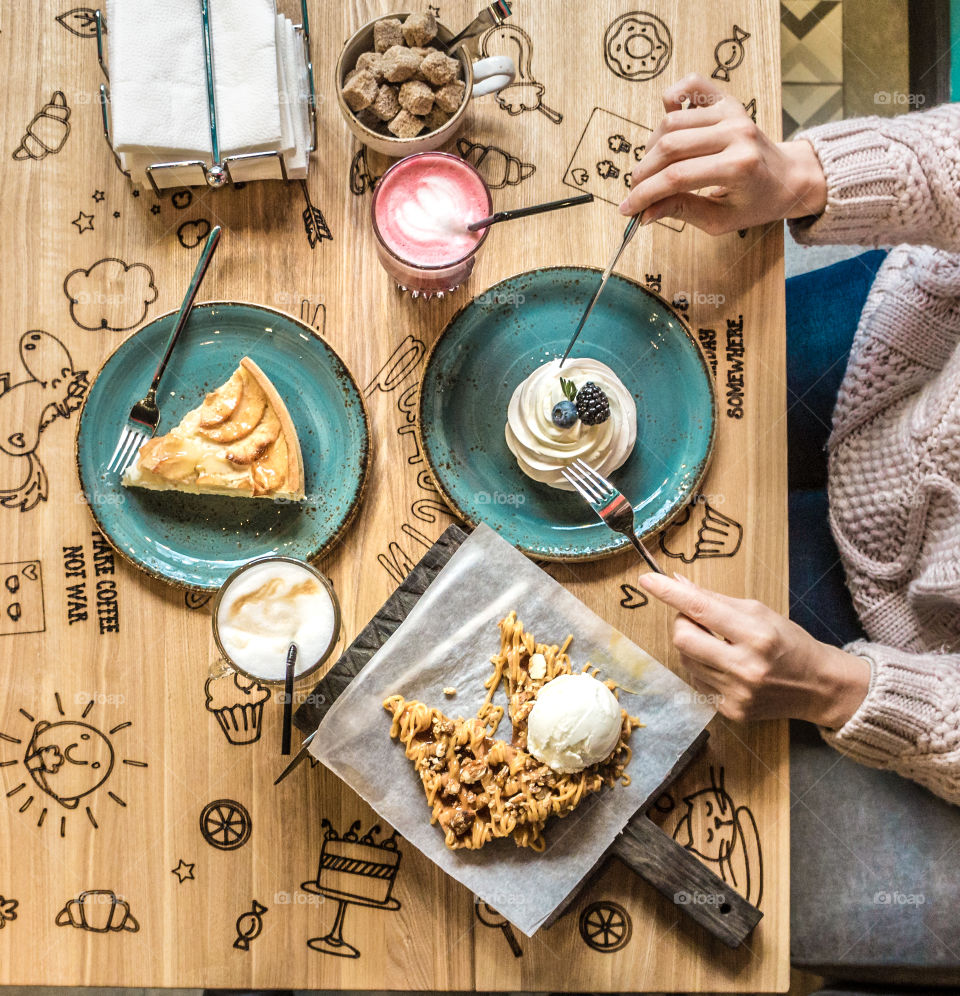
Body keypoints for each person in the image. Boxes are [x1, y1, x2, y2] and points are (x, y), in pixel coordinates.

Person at [621, 75, 960, 805]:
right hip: (915, 344)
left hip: (910, 617)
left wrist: (829, 686)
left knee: (622, 627)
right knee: (648, 356)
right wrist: (800, 175)